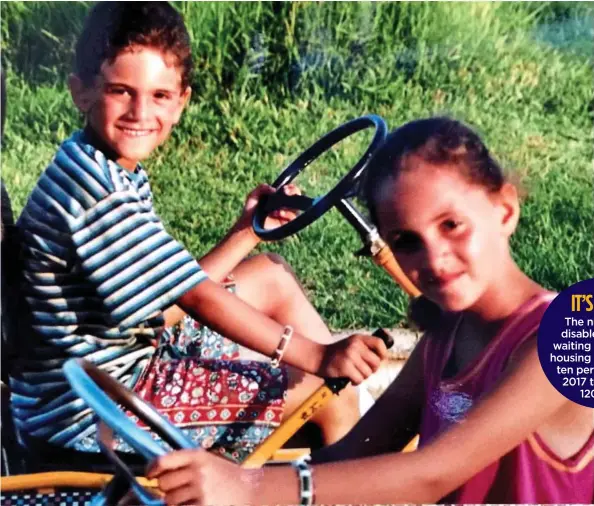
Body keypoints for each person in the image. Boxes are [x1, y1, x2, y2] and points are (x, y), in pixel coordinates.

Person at [9, 2, 388, 464]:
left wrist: (246, 233)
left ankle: (357, 433)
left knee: (268, 274)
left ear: (182, 100)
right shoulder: (96, 192)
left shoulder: (98, 161)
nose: (140, 112)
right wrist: (319, 358)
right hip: (91, 414)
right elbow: (194, 297)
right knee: (325, 389)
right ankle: (364, 468)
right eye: (121, 91)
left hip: (115, 359)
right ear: (81, 93)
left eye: (160, 96)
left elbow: (163, 299)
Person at [147, 117, 594, 504]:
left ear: (505, 210)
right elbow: (358, 449)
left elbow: (431, 474)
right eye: (406, 242)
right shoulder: (446, 334)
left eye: (452, 225)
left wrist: (249, 488)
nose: (434, 259)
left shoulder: (571, 334)